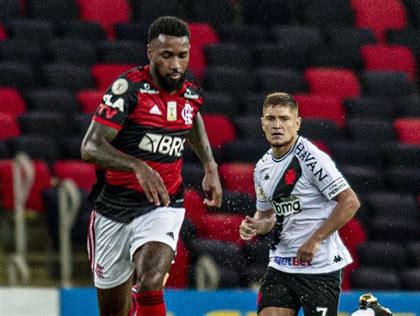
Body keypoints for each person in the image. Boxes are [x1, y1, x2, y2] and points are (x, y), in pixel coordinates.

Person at [81, 16, 222, 316]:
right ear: (150, 53)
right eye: (167, 55)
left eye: (182, 55)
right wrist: (137, 166)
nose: (176, 64)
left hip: (163, 204)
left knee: (150, 281)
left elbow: (191, 117)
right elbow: (90, 147)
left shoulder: (191, 93)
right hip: (113, 209)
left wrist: (210, 165)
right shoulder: (128, 89)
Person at [239, 92, 360, 316]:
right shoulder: (262, 167)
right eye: (271, 118)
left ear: (297, 123)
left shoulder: (312, 159)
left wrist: (315, 239)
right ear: (262, 123)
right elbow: (266, 217)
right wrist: (255, 226)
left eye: (284, 119)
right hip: (281, 266)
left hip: (320, 268)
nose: (277, 125)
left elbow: (350, 202)